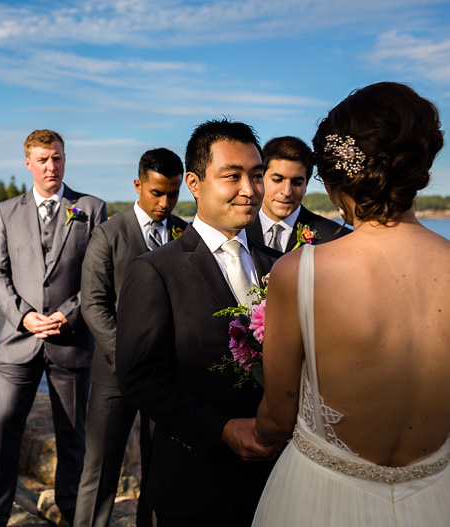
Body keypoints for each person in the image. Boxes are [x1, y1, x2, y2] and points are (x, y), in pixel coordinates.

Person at [253, 82, 450, 526]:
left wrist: (251, 433)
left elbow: (278, 418)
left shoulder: (300, 271)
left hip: (321, 500)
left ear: (340, 177)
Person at [115, 119, 281, 526]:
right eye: (233, 176)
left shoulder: (280, 266)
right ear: (195, 182)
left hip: (277, 481)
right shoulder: (155, 270)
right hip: (197, 483)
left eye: (257, 176)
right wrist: (222, 430)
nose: (250, 189)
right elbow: (139, 378)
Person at [0, 130, 106, 527]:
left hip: (71, 341)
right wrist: (22, 316)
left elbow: (100, 274)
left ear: (65, 159)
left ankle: (70, 508)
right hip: (19, 341)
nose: (52, 166)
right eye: (44, 159)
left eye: (58, 158)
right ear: (28, 163)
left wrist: (69, 313)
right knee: (3, 430)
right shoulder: (6, 211)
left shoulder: (91, 208)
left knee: (72, 434)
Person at [75, 148, 187, 527]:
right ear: (138, 185)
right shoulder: (107, 233)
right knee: (100, 472)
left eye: (173, 193)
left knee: (160, 473)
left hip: (168, 379)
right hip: (113, 375)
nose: (165, 202)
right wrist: (127, 357)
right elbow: (92, 305)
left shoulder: (184, 232)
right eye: (157, 192)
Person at [248, 136, 351, 251]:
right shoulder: (237, 229)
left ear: (306, 185)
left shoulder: (337, 238)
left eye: (297, 182)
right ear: (260, 178)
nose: (287, 191)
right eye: (277, 180)